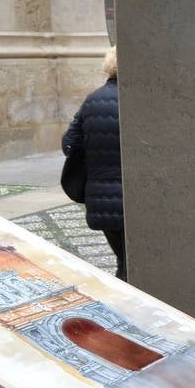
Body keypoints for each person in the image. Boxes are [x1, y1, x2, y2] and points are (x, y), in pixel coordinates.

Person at [62, 47, 126, 279]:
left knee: (124, 260)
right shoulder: (143, 100)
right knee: (136, 264)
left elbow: (69, 144)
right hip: (137, 200)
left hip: (102, 201)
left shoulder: (93, 100)